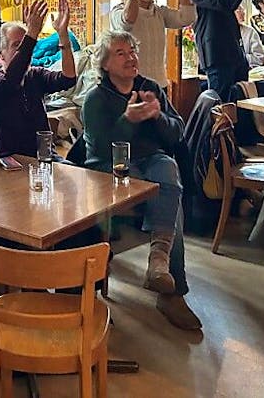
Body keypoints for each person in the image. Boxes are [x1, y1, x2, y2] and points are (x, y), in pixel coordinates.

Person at [81, 30, 200, 331]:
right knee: (167, 200)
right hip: (110, 169)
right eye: (121, 53)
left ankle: (159, 260)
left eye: (132, 50)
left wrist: (158, 116)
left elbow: (177, 133)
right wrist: (128, 121)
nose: (130, 57)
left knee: (167, 169)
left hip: (152, 163)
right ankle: (172, 291)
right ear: (105, 63)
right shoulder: (96, 98)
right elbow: (96, 147)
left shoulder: (150, 88)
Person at [0, 0, 76, 158]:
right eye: (17, 45)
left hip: (47, 160)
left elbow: (68, 78)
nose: (25, 50)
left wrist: (63, 35)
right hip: (12, 166)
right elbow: (12, 81)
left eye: (26, 45)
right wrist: (31, 33)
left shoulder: (35, 75)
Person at [109, 0, 195, 89]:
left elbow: (187, 18)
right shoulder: (117, 11)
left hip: (159, 85)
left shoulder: (159, 12)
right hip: (131, 86)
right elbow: (127, 22)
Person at [184, 0, 253, 101]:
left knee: (240, 102)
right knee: (221, 106)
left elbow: (227, 5)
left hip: (231, 53)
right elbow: (224, 4)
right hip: (217, 56)